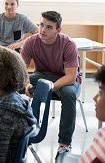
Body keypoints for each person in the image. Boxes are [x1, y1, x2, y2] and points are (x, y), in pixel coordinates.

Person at [21, 11, 80, 157]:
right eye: (41, 25)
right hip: (42, 75)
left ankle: (64, 143)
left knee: (69, 94)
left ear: (58, 30)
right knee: (14, 85)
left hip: (65, 78)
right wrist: (26, 84)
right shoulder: (30, 42)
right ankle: (22, 132)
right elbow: (21, 70)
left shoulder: (68, 44)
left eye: (48, 27)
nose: (42, 30)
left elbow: (71, 77)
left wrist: (51, 88)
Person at [0, 0, 38, 100]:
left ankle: (9, 90)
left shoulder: (22, 19)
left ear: (17, 5)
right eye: (6, 4)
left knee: (13, 68)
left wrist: (20, 43)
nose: (9, 7)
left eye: (12, 4)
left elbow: (37, 32)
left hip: (16, 50)